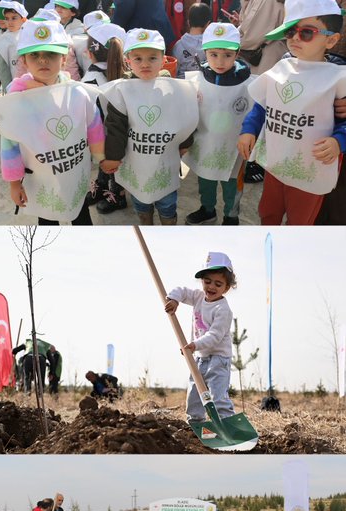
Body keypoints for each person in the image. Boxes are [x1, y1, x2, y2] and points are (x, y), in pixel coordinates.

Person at [237, 0, 346, 225]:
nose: (295, 38)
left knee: (300, 221)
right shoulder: (281, 66)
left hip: (311, 169)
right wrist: (249, 129)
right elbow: (262, 104)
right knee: (268, 211)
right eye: (290, 31)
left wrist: (339, 141)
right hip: (276, 165)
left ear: (332, 39)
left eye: (306, 32)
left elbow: (343, 120)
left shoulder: (338, 78)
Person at [0, 19, 105, 225]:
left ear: (63, 60)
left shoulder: (76, 92)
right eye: (34, 55)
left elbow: (93, 123)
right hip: (40, 177)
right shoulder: (16, 100)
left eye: (51, 54)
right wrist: (14, 183)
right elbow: (9, 145)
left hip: (72, 174)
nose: (42, 60)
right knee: (47, 222)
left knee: (81, 217)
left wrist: (101, 156)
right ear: (24, 61)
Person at [99, 27, 199, 225]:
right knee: (140, 198)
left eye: (152, 58)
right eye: (138, 59)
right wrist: (112, 156)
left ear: (163, 59)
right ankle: (146, 225)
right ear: (128, 60)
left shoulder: (172, 88)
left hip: (164, 158)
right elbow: (115, 126)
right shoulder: (123, 90)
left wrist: (185, 142)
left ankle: (168, 226)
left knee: (167, 200)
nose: (145, 64)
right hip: (136, 158)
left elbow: (184, 116)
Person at [183, 22, 252, 225]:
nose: (220, 61)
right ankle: (207, 209)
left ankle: (232, 216)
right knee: (206, 179)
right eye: (213, 54)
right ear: (205, 52)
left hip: (234, 149)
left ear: (237, 53)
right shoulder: (198, 79)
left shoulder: (247, 82)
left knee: (233, 184)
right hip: (205, 145)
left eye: (227, 55)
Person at [165, 251, 236, 423]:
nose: (211, 287)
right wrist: (173, 300)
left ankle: (227, 425)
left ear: (226, 288)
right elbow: (181, 291)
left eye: (218, 284)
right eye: (207, 281)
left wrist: (195, 345)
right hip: (199, 358)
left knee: (217, 397)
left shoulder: (223, 310)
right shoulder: (198, 297)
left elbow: (215, 336)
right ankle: (195, 425)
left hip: (219, 359)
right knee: (195, 395)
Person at [82, 20, 128, 214]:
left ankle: (117, 195)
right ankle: (102, 187)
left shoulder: (89, 79)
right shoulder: (126, 75)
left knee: (110, 164)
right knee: (109, 163)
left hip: (100, 135)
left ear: (89, 53)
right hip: (120, 134)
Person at [0, 1, 28, 91]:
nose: (10, 22)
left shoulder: (30, 34)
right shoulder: (1, 41)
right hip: (14, 86)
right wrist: (8, 88)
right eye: (7, 18)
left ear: (23, 19)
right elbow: (2, 69)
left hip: (33, 84)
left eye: (14, 18)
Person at [172, 2, 212, 78]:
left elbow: (174, 72)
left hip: (182, 86)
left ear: (188, 22)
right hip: (204, 86)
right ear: (208, 24)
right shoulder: (211, 46)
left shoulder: (178, 45)